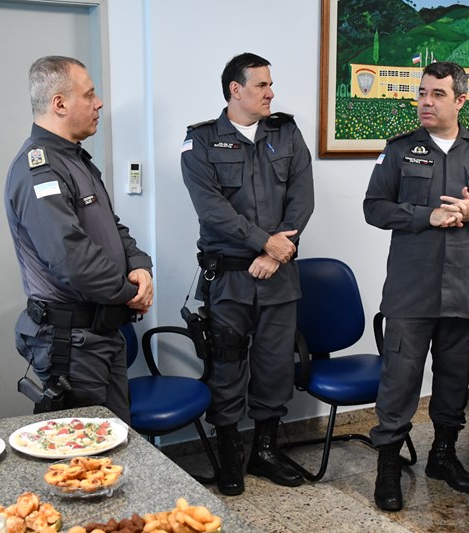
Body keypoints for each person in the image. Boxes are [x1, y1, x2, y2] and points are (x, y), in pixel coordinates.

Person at [363, 61, 469, 512]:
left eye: (436, 94)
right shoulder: (398, 150)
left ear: (460, 100)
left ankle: (443, 455)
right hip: (411, 291)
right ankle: (389, 466)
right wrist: (423, 216)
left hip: (465, 288)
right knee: (400, 381)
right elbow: (373, 207)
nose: (425, 102)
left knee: (454, 381)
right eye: (422, 93)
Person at [180, 52, 314, 496]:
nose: (271, 93)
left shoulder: (287, 133)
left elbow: (302, 199)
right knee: (227, 367)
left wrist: (276, 253)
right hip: (230, 278)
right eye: (261, 85)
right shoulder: (200, 142)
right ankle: (231, 455)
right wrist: (263, 242)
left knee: (275, 366)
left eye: (270, 84)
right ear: (235, 90)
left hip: (279, 274)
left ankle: (266, 450)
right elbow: (212, 210)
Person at [5, 56, 153, 424]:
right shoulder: (38, 168)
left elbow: (112, 227)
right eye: (89, 95)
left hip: (101, 332)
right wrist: (128, 293)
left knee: (117, 443)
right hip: (71, 342)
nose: (99, 102)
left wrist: (140, 266)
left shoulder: (76, 160)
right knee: (85, 458)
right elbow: (70, 257)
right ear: (59, 103)